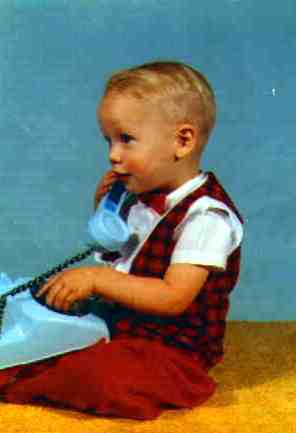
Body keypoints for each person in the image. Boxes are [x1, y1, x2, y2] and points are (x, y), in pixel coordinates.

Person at [0, 61, 243, 420]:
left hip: (174, 351)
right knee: (51, 314)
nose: (113, 155)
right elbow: (123, 261)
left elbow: (173, 297)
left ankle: (24, 380)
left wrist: (99, 280)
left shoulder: (207, 217)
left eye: (126, 140)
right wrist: (106, 214)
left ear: (183, 141)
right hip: (124, 326)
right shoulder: (140, 197)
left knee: (100, 376)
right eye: (109, 141)